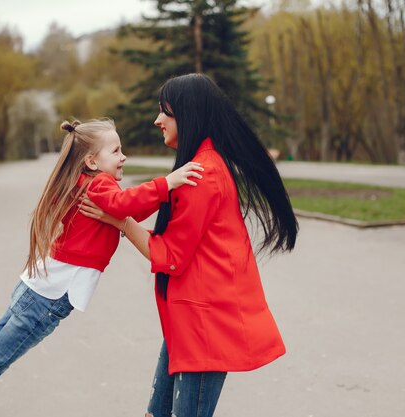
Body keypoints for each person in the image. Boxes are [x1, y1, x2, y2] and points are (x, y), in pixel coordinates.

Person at [0, 118, 203, 417]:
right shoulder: (99, 184)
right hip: (46, 299)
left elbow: (129, 206)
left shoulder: (89, 183)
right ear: (92, 161)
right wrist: (167, 183)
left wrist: (165, 192)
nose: (124, 156)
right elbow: (126, 206)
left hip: (37, 289)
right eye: (116, 151)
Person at [79, 74, 299, 417]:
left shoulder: (202, 174)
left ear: (187, 113)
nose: (157, 120)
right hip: (189, 320)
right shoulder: (199, 164)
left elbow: (169, 257)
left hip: (204, 326)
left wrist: (120, 221)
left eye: (164, 111)